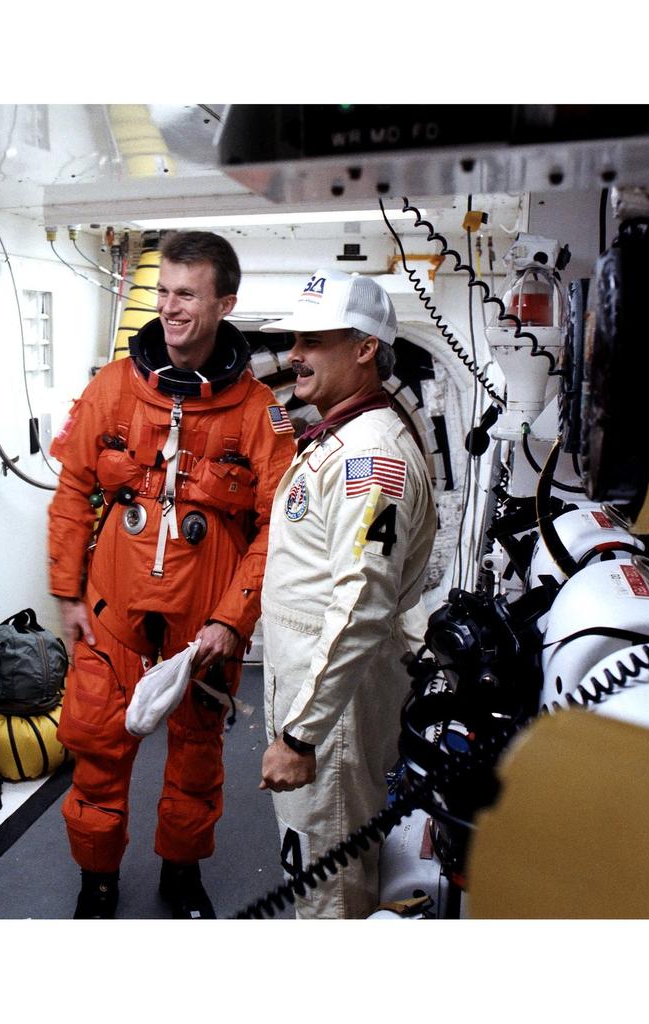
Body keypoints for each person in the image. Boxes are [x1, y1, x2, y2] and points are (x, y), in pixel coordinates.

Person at [47, 231, 296, 918]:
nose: (169, 307)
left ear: (224, 302)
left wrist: (231, 619)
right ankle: (97, 881)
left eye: (186, 293)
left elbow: (280, 527)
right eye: (163, 291)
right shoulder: (111, 389)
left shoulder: (258, 413)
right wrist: (66, 590)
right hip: (112, 611)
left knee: (195, 760)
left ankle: (180, 875)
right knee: (97, 751)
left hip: (203, 626)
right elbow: (73, 488)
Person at [257, 268, 437, 919]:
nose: (296, 355)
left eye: (315, 340)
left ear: (365, 348)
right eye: (295, 340)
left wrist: (302, 736)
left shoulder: (371, 459)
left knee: (327, 881)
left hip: (329, 710)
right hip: (313, 684)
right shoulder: (338, 435)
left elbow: (362, 603)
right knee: (311, 863)